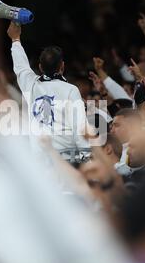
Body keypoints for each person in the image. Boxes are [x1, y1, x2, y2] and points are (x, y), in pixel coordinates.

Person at [8, 21, 90, 161]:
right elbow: (80, 127)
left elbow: (21, 67)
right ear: (62, 66)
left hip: (41, 162)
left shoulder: (31, 85)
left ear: (40, 67)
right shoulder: (71, 90)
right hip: (67, 161)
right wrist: (87, 158)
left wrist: (15, 39)